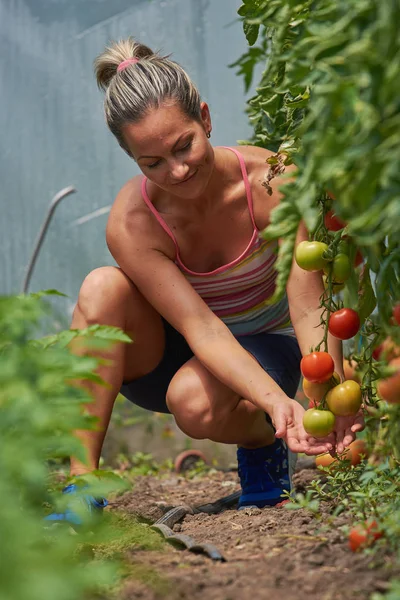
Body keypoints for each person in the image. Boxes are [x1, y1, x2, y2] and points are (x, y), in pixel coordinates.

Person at [48, 38, 364, 523]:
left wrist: (326, 398)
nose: (176, 170)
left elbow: (307, 304)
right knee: (99, 287)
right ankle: (81, 487)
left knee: (193, 405)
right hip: (180, 348)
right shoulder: (133, 223)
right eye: (151, 163)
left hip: (267, 342)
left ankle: (261, 441)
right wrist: (278, 402)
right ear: (131, 157)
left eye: (184, 145)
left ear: (206, 118)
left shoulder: (273, 183)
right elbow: (201, 327)